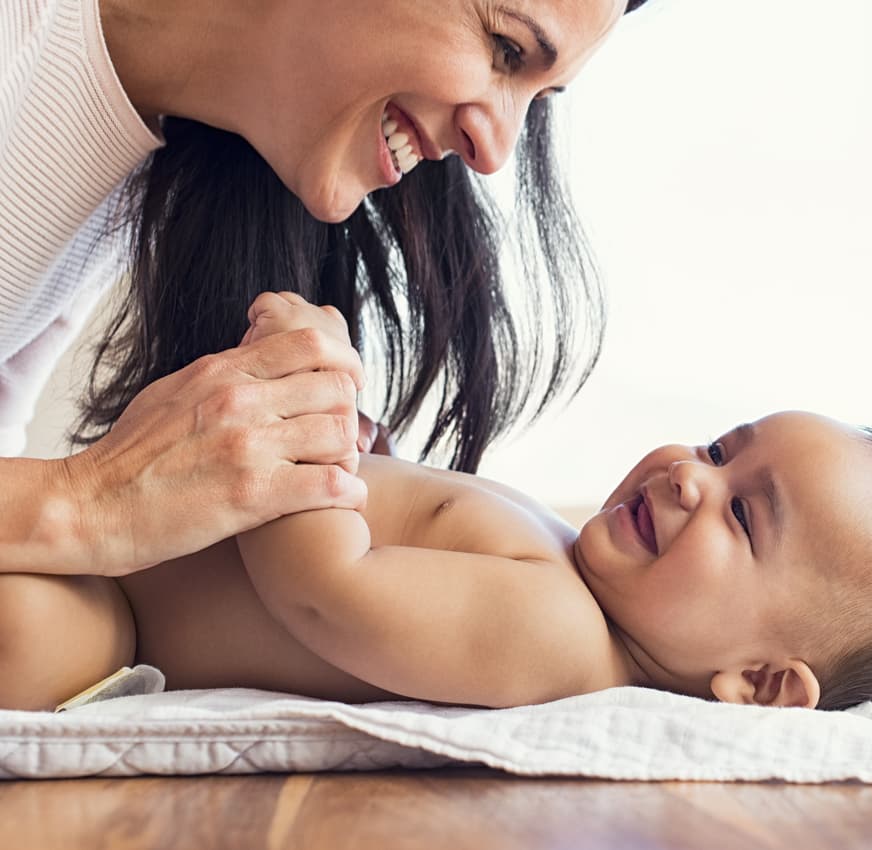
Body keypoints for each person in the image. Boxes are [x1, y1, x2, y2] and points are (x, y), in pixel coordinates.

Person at [0, 296, 872, 713]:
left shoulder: (559, 635)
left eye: (743, 516)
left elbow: (326, 593)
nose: (689, 477)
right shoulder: (568, 571)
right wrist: (378, 461)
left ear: (759, 685)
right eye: (720, 449)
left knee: (26, 627)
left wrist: (307, 412)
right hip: (126, 554)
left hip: (119, 621)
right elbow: (408, 524)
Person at [1, 0, 647, 580]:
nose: (496, 152)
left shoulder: (129, 157)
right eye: (506, 49)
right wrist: (91, 501)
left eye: (540, 96)